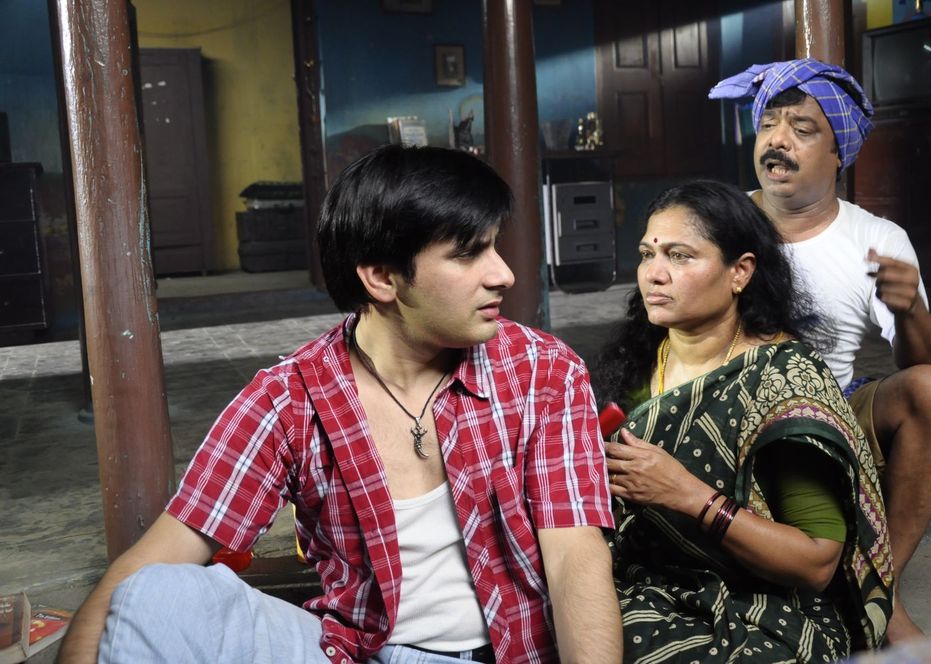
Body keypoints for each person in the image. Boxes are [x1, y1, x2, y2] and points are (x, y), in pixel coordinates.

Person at [58, 145, 622, 664]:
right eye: (469, 253)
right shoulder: (289, 398)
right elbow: (148, 565)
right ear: (381, 277)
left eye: (495, 246)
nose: (504, 274)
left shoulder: (543, 371)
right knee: (155, 594)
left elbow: (575, 557)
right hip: (353, 652)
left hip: (504, 655)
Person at [709, 58, 931, 643]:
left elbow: (921, 362)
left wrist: (910, 309)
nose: (778, 140)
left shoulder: (876, 238)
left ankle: (877, 589)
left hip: (833, 412)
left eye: (802, 129)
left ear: (837, 155)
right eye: (768, 124)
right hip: (731, 409)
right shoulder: (719, 222)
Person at [591, 180, 893, 662]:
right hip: (637, 581)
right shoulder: (636, 361)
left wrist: (688, 495)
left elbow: (817, 563)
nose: (654, 274)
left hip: (760, 604)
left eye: (680, 256)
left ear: (740, 272)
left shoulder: (782, 385)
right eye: (648, 254)